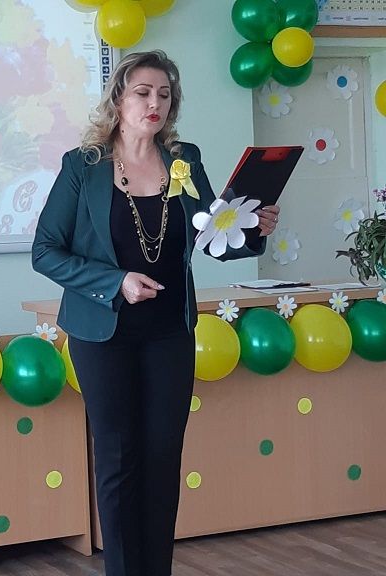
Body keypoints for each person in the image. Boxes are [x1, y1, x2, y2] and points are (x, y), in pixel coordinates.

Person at [31, 49, 279, 576]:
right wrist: (115, 282)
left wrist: (252, 231)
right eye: (143, 92)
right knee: (119, 460)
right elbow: (46, 251)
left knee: (163, 460)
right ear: (118, 101)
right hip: (103, 333)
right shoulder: (83, 166)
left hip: (169, 332)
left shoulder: (184, 160)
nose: (155, 103)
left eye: (164, 94)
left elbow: (212, 238)